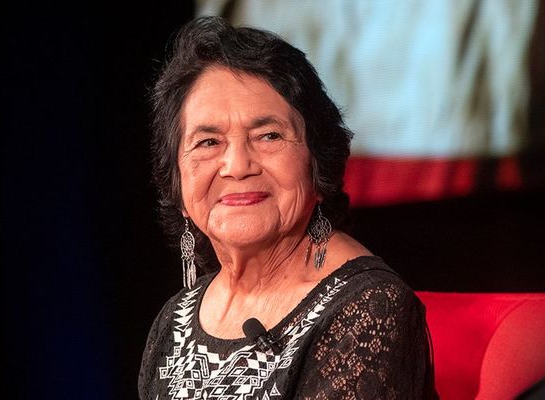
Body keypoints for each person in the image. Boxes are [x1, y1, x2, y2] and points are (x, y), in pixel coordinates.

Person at [138, 17, 438, 399]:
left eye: (268, 136)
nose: (238, 166)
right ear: (177, 183)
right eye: (208, 142)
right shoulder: (175, 321)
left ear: (318, 162)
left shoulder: (369, 310)